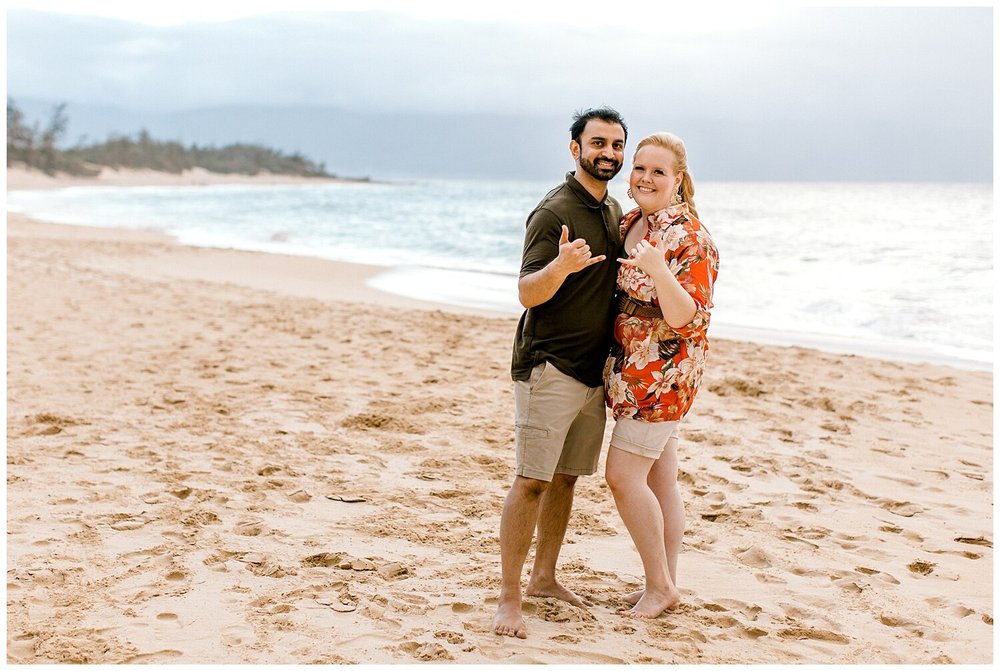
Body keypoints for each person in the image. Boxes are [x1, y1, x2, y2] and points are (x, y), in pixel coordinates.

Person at [493, 107, 628, 639]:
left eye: (617, 145)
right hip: (548, 366)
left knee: (567, 478)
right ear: (575, 149)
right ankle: (508, 599)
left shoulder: (613, 208)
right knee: (531, 481)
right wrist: (561, 266)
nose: (609, 154)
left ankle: (544, 578)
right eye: (599, 143)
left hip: (593, 372)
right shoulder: (554, 212)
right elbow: (527, 292)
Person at [603, 132, 719, 619]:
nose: (646, 178)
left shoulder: (689, 237)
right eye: (640, 169)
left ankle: (658, 586)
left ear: (679, 179)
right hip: (632, 370)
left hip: (664, 375)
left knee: (623, 476)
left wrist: (658, 270)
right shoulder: (634, 221)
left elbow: (687, 317)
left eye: (658, 171)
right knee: (661, 480)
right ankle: (665, 582)